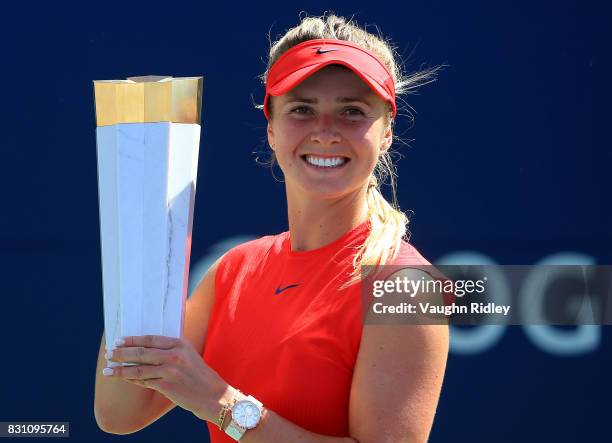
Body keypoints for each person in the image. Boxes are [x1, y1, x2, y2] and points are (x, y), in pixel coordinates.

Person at [94, 12, 449, 443]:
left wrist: (220, 404)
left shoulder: (405, 288)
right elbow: (119, 410)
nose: (325, 131)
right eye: (302, 109)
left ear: (387, 131)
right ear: (272, 130)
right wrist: (138, 229)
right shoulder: (233, 270)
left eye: (352, 112)